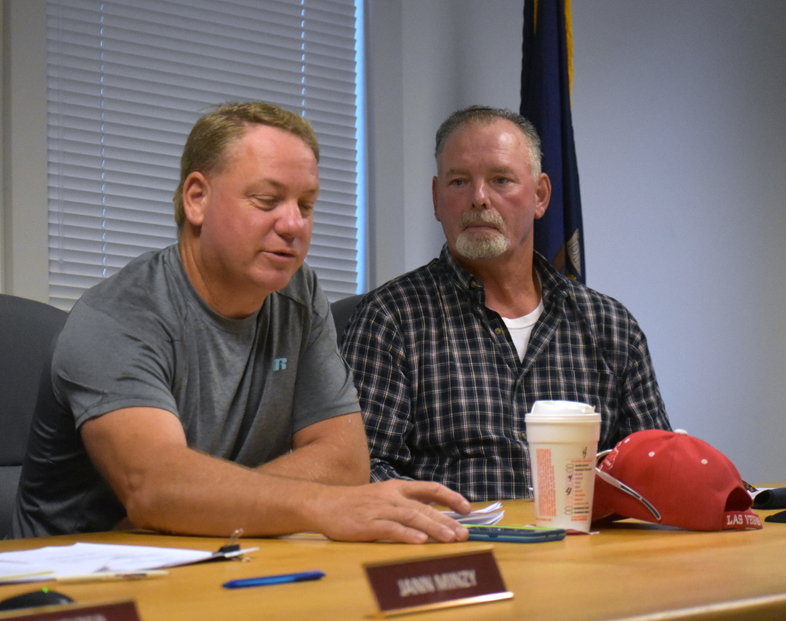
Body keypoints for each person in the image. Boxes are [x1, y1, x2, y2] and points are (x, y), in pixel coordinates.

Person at [10, 101, 470, 544]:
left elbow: (345, 461)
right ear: (197, 199)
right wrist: (315, 505)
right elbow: (154, 486)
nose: (294, 224)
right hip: (75, 587)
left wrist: (203, 506)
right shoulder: (117, 317)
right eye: (267, 200)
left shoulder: (297, 294)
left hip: (218, 557)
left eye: (306, 205)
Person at [341, 105, 672, 501]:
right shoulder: (391, 318)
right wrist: (450, 515)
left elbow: (654, 471)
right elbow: (361, 470)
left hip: (583, 554)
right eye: (459, 181)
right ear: (435, 198)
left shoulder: (610, 327)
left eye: (501, 179)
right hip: (457, 551)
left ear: (540, 196)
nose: (479, 198)